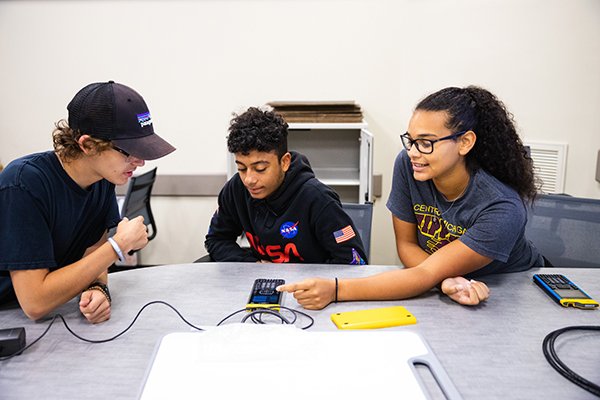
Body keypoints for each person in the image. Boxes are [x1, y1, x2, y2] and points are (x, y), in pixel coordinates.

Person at [278, 85, 545, 309]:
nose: (414, 152)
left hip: (508, 290)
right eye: (411, 140)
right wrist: (442, 280)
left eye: (426, 142)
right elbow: (406, 246)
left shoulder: (502, 207)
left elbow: (425, 273)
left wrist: (335, 290)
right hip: (449, 287)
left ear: (465, 142)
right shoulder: (409, 165)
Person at [0, 81, 175, 323]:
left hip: (47, 316)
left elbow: (94, 258)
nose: (140, 162)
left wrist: (97, 288)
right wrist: (118, 245)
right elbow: (35, 302)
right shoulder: (23, 184)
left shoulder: (102, 180)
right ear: (88, 145)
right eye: (129, 151)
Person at [204, 106, 368, 265]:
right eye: (241, 168)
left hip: (310, 289)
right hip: (264, 284)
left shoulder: (318, 199)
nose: (249, 179)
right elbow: (217, 239)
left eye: (260, 169)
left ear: (284, 162)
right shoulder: (236, 189)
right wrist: (253, 264)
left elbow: (354, 262)